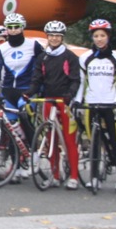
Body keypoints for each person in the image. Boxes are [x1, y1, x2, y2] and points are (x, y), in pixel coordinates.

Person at [0, 12, 45, 180]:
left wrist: (37, 88)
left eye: (16, 27)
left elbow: (41, 69)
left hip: (27, 91)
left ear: (22, 27)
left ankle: (33, 154)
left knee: (24, 119)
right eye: (10, 27)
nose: (13, 30)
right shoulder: (3, 49)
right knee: (9, 128)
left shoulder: (33, 45)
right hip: (9, 91)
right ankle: (16, 166)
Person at [72, 18, 116, 193]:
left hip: (110, 105)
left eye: (102, 35)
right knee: (94, 142)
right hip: (91, 104)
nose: (99, 39)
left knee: (115, 141)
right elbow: (82, 82)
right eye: (96, 36)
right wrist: (78, 100)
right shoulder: (85, 58)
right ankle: (95, 178)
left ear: (108, 36)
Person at [28, 20, 82, 189]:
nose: (54, 39)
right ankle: (55, 175)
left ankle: (73, 176)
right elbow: (37, 79)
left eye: (57, 36)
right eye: (51, 36)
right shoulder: (42, 57)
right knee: (51, 139)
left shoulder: (70, 57)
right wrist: (28, 93)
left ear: (62, 37)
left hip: (64, 102)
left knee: (69, 139)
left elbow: (75, 80)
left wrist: (69, 95)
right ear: (47, 37)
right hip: (49, 101)